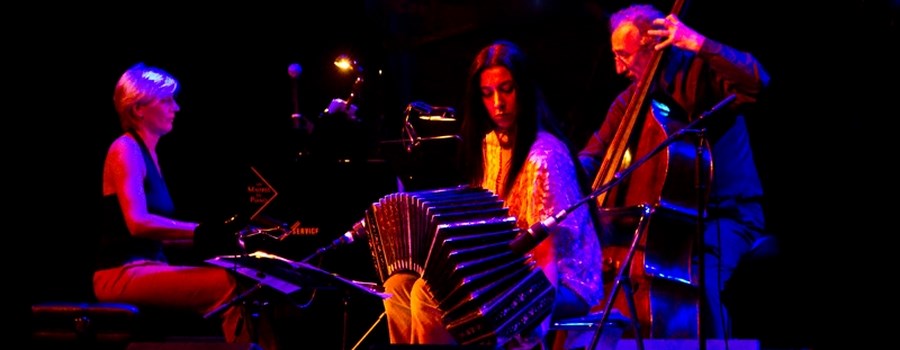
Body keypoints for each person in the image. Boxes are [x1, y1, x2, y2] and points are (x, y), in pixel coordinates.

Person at [381, 40, 605, 349]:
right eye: (487, 94)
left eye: (506, 89)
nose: (498, 102)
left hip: (559, 281)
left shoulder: (546, 156)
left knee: (428, 294)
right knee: (398, 286)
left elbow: (547, 255)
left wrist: (535, 317)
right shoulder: (488, 145)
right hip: (507, 271)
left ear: (523, 89)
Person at [577, 4, 771, 340]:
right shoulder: (630, 101)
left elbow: (758, 80)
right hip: (670, 228)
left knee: (699, 279)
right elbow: (591, 156)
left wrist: (698, 42)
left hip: (727, 217)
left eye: (624, 55)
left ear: (653, 47)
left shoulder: (703, 74)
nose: (618, 68)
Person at [93, 62, 280, 349]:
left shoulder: (149, 153)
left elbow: (161, 240)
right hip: (119, 274)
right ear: (138, 108)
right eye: (166, 100)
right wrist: (202, 232)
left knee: (246, 276)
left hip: (145, 267)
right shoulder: (126, 149)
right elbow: (137, 223)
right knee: (229, 285)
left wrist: (230, 243)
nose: (176, 108)